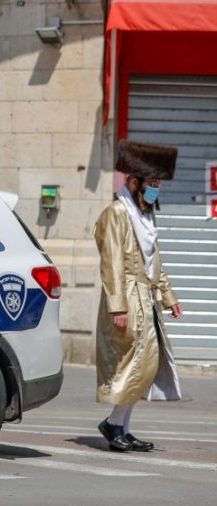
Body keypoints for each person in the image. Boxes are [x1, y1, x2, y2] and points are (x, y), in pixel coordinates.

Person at [93, 139, 183, 453]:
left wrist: (169, 297)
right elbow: (112, 263)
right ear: (133, 182)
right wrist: (118, 307)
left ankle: (121, 427)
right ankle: (114, 425)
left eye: (158, 185)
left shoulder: (144, 216)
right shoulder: (117, 213)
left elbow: (153, 261)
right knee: (132, 367)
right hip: (127, 301)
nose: (155, 190)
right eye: (152, 184)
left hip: (146, 300)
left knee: (144, 366)